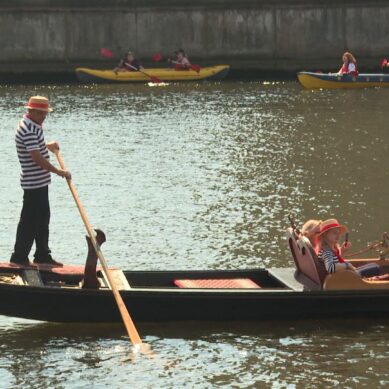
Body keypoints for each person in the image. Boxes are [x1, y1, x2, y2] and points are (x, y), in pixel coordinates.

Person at [10, 96, 71, 266]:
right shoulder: (27, 128)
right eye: (43, 113)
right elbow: (36, 157)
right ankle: (19, 257)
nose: (45, 116)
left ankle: (42, 254)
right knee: (29, 221)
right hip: (33, 182)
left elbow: (36, 146)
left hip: (40, 181)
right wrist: (59, 171)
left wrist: (48, 146)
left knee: (43, 218)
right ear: (33, 111)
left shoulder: (33, 125)